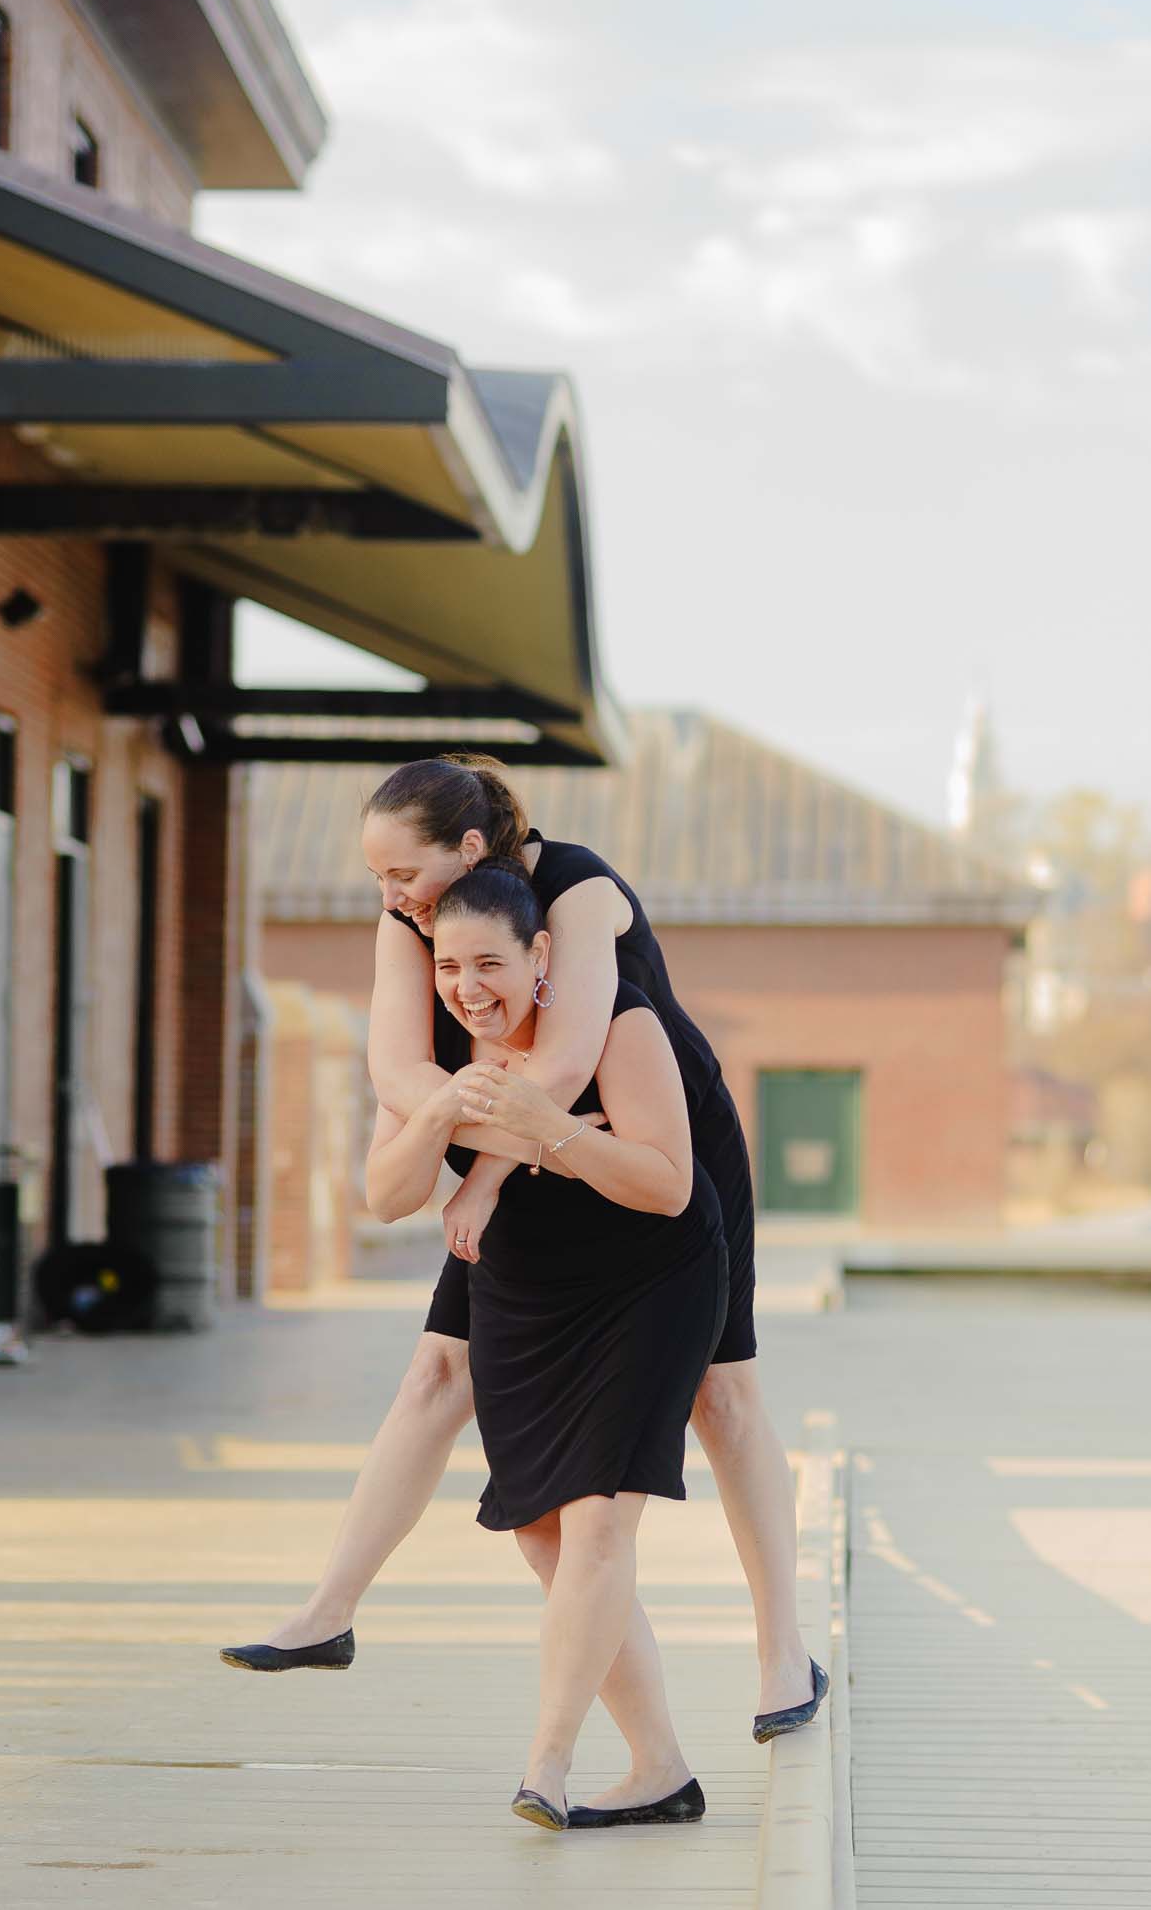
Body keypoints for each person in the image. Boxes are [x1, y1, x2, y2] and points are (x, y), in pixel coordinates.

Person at [220, 755, 827, 1744]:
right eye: (376, 879)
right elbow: (396, 1064)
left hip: (654, 1143)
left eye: (399, 874)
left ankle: (780, 1650)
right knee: (432, 1371)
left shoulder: (575, 888)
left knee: (721, 1397)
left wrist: (479, 1166)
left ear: (465, 850)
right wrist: (442, 1124)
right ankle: (329, 1608)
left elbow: (564, 1059)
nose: (389, 897)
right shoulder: (412, 923)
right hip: (515, 1143)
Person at [377, 861, 726, 1826]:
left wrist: (547, 1133)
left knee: (599, 1523)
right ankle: (660, 1769)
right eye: (447, 967)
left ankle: (547, 1765)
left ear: (541, 957)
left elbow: (666, 1185)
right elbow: (380, 1190)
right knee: (541, 1530)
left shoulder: (623, 1026)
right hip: (532, 1295)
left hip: (651, 1282)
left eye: (488, 963)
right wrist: (446, 1116)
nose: (466, 987)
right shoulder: (442, 1056)